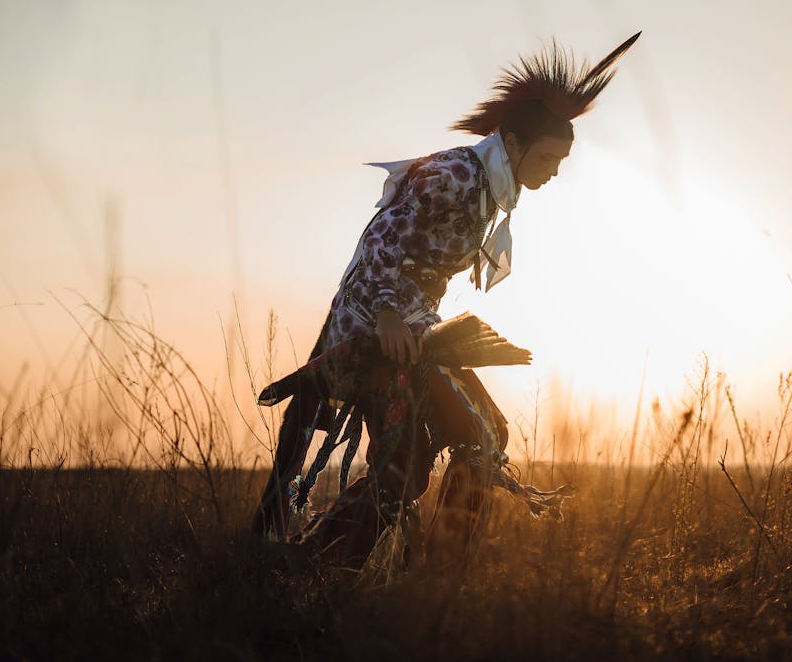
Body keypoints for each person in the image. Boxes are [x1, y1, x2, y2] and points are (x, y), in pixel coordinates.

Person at [253, 33, 641, 567]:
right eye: (550, 158)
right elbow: (381, 239)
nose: (554, 172)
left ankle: (406, 572)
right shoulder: (457, 173)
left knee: (476, 437)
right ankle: (333, 566)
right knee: (426, 458)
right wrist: (388, 313)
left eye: (561, 162)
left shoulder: (487, 186)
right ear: (514, 141)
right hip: (377, 328)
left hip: (415, 331)